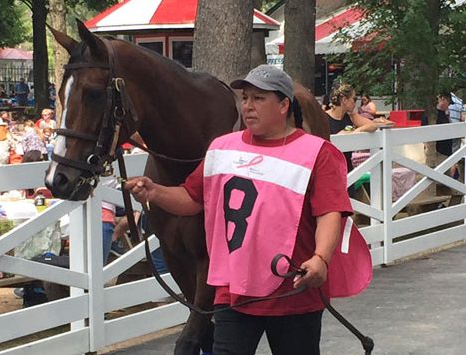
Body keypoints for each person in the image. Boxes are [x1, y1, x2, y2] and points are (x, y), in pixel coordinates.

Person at [125, 65, 368, 355]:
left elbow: (329, 212)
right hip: (233, 292)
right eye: (245, 98)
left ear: (283, 105)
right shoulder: (221, 149)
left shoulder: (317, 153)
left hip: (293, 292)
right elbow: (191, 199)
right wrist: (155, 192)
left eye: (258, 99)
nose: (248, 106)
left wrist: (321, 259)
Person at [325, 83, 378, 172]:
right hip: (329, 168)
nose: (355, 102)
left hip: (347, 168)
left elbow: (373, 125)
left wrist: (357, 130)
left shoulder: (351, 116)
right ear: (344, 100)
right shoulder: (323, 118)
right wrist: (339, 137)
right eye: (354, 99)